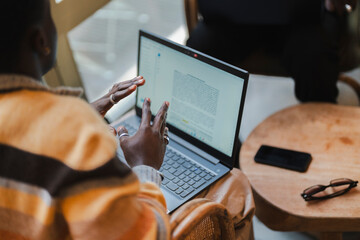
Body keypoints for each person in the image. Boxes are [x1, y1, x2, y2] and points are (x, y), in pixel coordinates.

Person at [0, 0, 254, 239]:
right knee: (237, 184)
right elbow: (146, 234)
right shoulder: (77, 136)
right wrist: (146, 165)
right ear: (40, 40)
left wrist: (83, 113)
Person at [187, 0, 357, 103]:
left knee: (314, 59)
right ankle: (210, 146)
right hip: (235, 19)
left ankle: (319, 133)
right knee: (199, 49)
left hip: (302, 19)